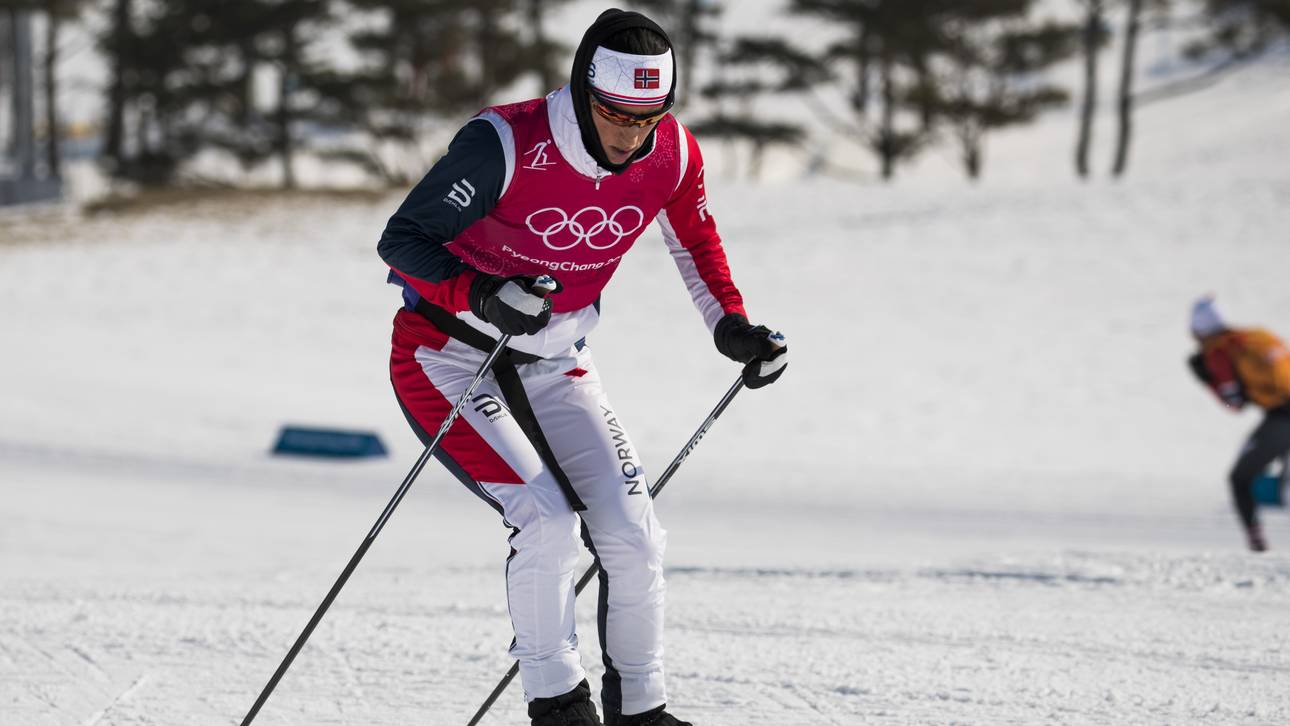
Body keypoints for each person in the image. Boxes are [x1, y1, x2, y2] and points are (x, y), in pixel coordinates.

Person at [376, 9, 787, 726]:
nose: (630, 135)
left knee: (633, 535)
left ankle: (642, 710)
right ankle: (559, 705)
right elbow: (402, 239)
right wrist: (481, 293)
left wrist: (731, 325)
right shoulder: (506, 142)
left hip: (556, 357)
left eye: (648, 117)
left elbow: (694, 241)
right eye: (615, 114)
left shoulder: (673, 155)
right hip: (446, 354)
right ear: (582, 89)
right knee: (546, 521)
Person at [1187, 296, 1290, 552]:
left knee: (1239, 479)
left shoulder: (1219, 352)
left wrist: (1208, 380)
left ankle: (1257, 544)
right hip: (1280, 414)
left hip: (1283, 416)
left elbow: (1234, 403)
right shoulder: (1258, 335)